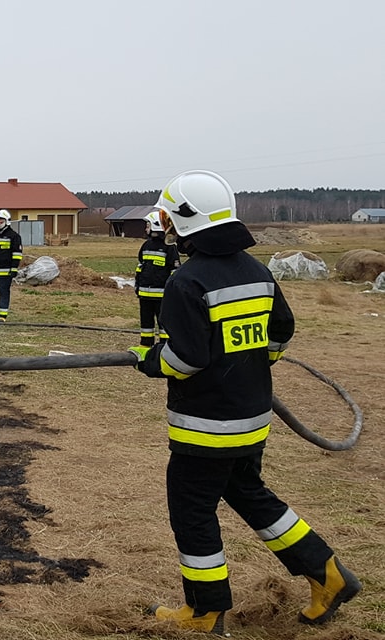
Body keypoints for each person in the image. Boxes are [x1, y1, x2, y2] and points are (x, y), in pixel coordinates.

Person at [129, 170, 359, 635]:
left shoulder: (187, 281)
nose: (167, 225)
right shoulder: (257, 271)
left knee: (192, 513)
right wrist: (251, 363)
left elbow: (184, 359)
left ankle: (205, 611)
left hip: (205, 426)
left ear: (184, 220)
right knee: (250, 495)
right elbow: (280, 333)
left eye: (170, 217)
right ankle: (327, 573)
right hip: (250, 420)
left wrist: (149, 360)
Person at [134, 210, 181, 346]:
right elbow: (140, 267)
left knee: (164, 323)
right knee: (146, 323)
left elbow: (175, 271)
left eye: (148, 225)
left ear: (156, 226)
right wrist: (137, 286)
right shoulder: (146, 245)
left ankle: (164, 346)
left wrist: (172, 292)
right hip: (144, 294)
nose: (146, 228)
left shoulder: (170, 247)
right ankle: (146, 345)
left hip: (162, 296)